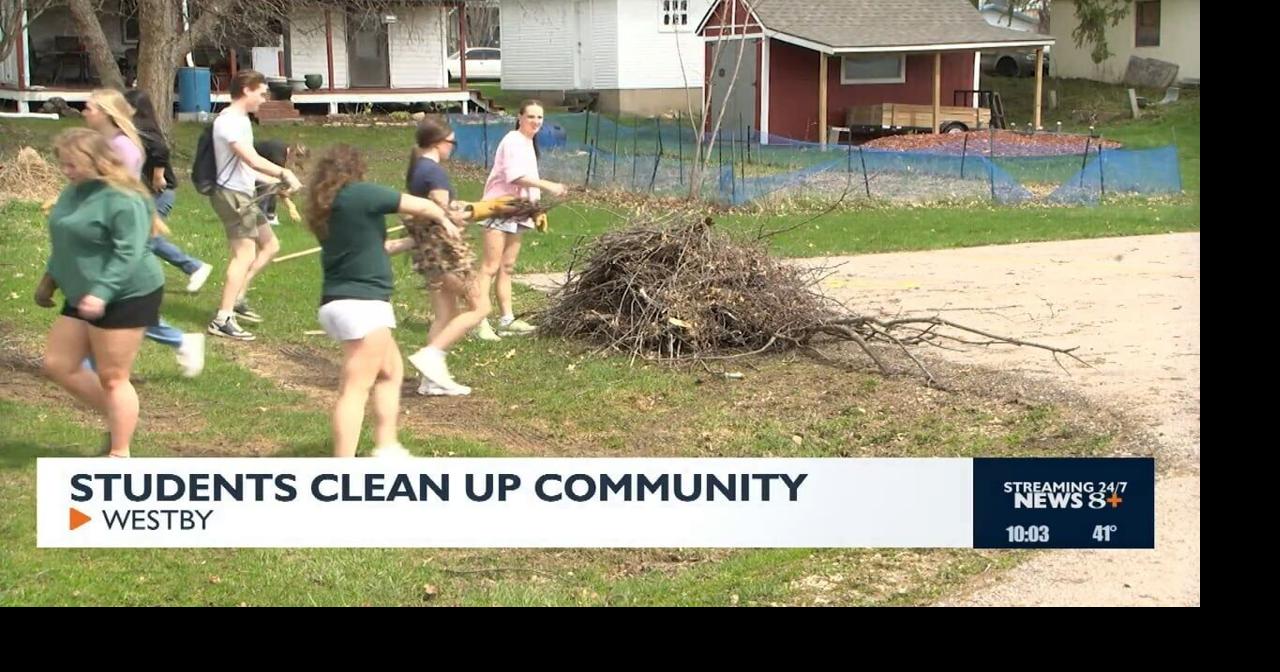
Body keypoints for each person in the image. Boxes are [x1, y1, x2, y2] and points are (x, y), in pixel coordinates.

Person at [304, 144, 464, 458]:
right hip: (363, 305)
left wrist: (417, 239)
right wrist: (446, 221)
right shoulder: (359, 193)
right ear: (354, 169)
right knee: (355, 388)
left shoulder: (330, 206)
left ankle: (387, 446)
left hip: (339, 303)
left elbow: (381, 248)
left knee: (390, 371)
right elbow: (423, 205)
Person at [35, 128, 166, 458]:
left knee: (112, 377)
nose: (66, 171)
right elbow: (65, 242)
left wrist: (102, 292)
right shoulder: (73, 191)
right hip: (83, 292)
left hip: (127, 292)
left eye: (73, 164)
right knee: (58, 364)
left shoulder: (123, 198)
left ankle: (120, 453)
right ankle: (122, 416)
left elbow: (129, 252)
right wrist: (50, 279)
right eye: (63, 164)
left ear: (98, 161)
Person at [206, 69, 302, 341]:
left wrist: (275, 181)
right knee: (244, 254)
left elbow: (247, 167)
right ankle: (223, 318)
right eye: (260, 93)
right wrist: (284, 172)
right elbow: (250, 158)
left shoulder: (242, 121)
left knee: (270, 245)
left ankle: (237, 297)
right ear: (246, 90)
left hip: (243, 193)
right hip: (232, 195)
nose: (263, 99)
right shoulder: (229, 122)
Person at [402, 116, 488, 396]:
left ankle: (431, 381)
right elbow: (444, 215)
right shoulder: (434, 172)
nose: (453, 147)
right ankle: (432, 355)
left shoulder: (419, 170)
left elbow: (431, 210)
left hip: (427, 251)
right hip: (445, 250)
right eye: (452, 142)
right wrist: (468, 213)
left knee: (445, 314)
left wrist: (455, 208)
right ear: (438, 142)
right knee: (480, 307)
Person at [473, 99, 567, 340]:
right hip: (500, 207)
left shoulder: (528, 143)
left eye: (539, 117)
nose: (536, 121)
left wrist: (536, 210)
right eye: (531, 116)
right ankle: (479, 322)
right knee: (490, 267)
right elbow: (514, 177)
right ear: (520, 117)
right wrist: (549, 185)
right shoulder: (513, 140)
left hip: (521, 211)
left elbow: (528, 182)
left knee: (507, 267)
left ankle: (507, 320)